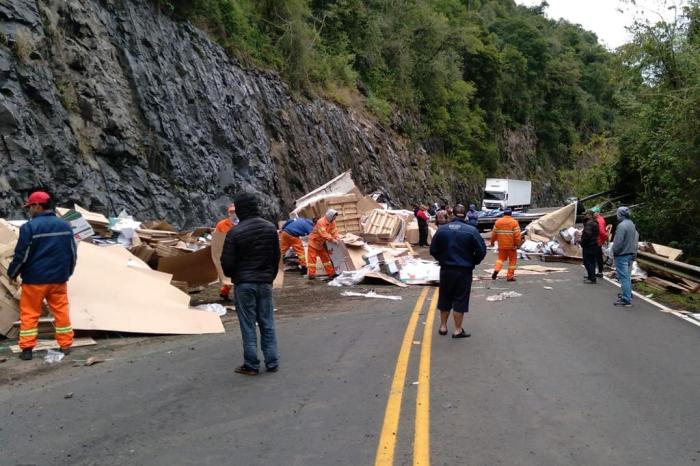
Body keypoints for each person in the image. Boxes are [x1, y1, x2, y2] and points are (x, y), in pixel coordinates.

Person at [8, 191, 77, 361]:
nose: (29, 210)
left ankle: (27, 350)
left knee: (30, 313)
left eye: (30, 206)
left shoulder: (29, 227)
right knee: (61, 312)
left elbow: (21, 255)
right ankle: (65, 345)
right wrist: (67, 272)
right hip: (58, 279)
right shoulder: (65, 226)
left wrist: (12, 273)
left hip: (35, 280)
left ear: (38, 206)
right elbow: (72, 253)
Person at [221, 192, 280, 375]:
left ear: (239, 210)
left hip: (244, 284)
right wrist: (269, 277)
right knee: (267, 322)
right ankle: (272, 361)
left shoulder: (234, 233)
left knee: (248, 325)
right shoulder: (270, 228)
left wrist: (235, 276)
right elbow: (275, 257)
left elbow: (227, 264)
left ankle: (251, 365)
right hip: (264, 282)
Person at [430, 204, 487, 338]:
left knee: (445, 297)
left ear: (452, 214)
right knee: (460, 298)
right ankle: (457, 329)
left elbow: (433, 250)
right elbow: (481, 250)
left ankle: (443, 327)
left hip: (446, 269)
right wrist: (474, 261)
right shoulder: (471, 231)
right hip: (464, 270)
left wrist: (442, 258)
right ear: (465, 214)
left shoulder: (442, 230)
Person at [612, 206, 638, 307]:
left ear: (620, 214)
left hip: (622, 254)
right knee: (627, 276)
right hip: (630, 253)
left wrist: (614, 252)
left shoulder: (622, 226)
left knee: (624, 277)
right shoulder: (631, 224)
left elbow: (618, 242)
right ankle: (627, 294)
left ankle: (626, 299)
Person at [307, 209, 340, 280]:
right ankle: (311, 275)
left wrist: (336, 237)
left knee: (326, 259)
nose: (335, 218)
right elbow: (323, 234)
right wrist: (332, 239)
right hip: (313, 242)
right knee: (312, 259)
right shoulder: (320, 222)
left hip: (320, 243)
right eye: (334, 217)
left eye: (335, 217)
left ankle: (331, 273)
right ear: (330, 216)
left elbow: (334, 231)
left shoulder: (332, 221)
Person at [491, 208, 521, 281]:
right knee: (512, 261)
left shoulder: (498, 222)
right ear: (511, 214)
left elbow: (494, 234)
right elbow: (517, 235)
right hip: (511, 246)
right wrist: (517, 244)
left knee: (500, 259)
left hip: (501, 245)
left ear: (503, 213)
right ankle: (510, 276)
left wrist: (492, 242)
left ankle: (496, 270)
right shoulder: (514, 222)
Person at [215, 203, 237, 299]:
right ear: (228, 213)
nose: (233, 214)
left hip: (239, 251)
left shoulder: (242, 223)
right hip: (226, 252)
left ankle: (237, 294)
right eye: (231, 212)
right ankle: (224, 292)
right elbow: (216, 238)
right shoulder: (221, 224)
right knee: (226, 275)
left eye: (234, 211)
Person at [581, 210, 600, 284]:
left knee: (587, 262)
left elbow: (587, 235)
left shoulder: (589, 224)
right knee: (592, 261)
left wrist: (582, 242)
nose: (584, 216)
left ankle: (592, 278)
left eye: (585, 214)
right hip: (594, 244)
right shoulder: (595, 222)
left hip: (589, 245)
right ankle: (591, 276)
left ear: (589, 215)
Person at [592, 206, 608, 277]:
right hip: (598, 240)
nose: (592, 214)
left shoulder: (599, 220)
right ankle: (599, 272)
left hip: (597, 241)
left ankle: (597, 272)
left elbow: (602, 232)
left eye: (593, 212)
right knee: (598, 257)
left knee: (597, 257)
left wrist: (603, 239)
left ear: (597, 212)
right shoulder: (599, 219)